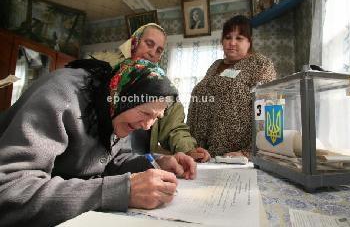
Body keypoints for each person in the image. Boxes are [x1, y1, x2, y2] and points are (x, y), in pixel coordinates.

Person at [0, 58, 197, 226]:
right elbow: (9, 191)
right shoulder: (62, 97)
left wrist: (156, 161)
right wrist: (120, 191)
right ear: (120, 96)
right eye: (145, 113)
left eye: (156, 117)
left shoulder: (114, 107)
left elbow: (111, 158)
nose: (147, 126)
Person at [112, 23, 210, 162]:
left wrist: (189, 150)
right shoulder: (110, 79)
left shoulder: (163, 90)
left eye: (159, 50)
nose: (152, 53)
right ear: (135, 41)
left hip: (141, 164)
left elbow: (174, 128)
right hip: (107, 165)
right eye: (148, 43)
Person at [187, 15, 276, 158]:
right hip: (203, 153)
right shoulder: (215, 65)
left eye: (239, 38)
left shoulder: (261, 64)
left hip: (235, 156)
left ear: (249, 42)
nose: (232, 43)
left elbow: (270, 108)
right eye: (228, 37)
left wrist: (248, 153)